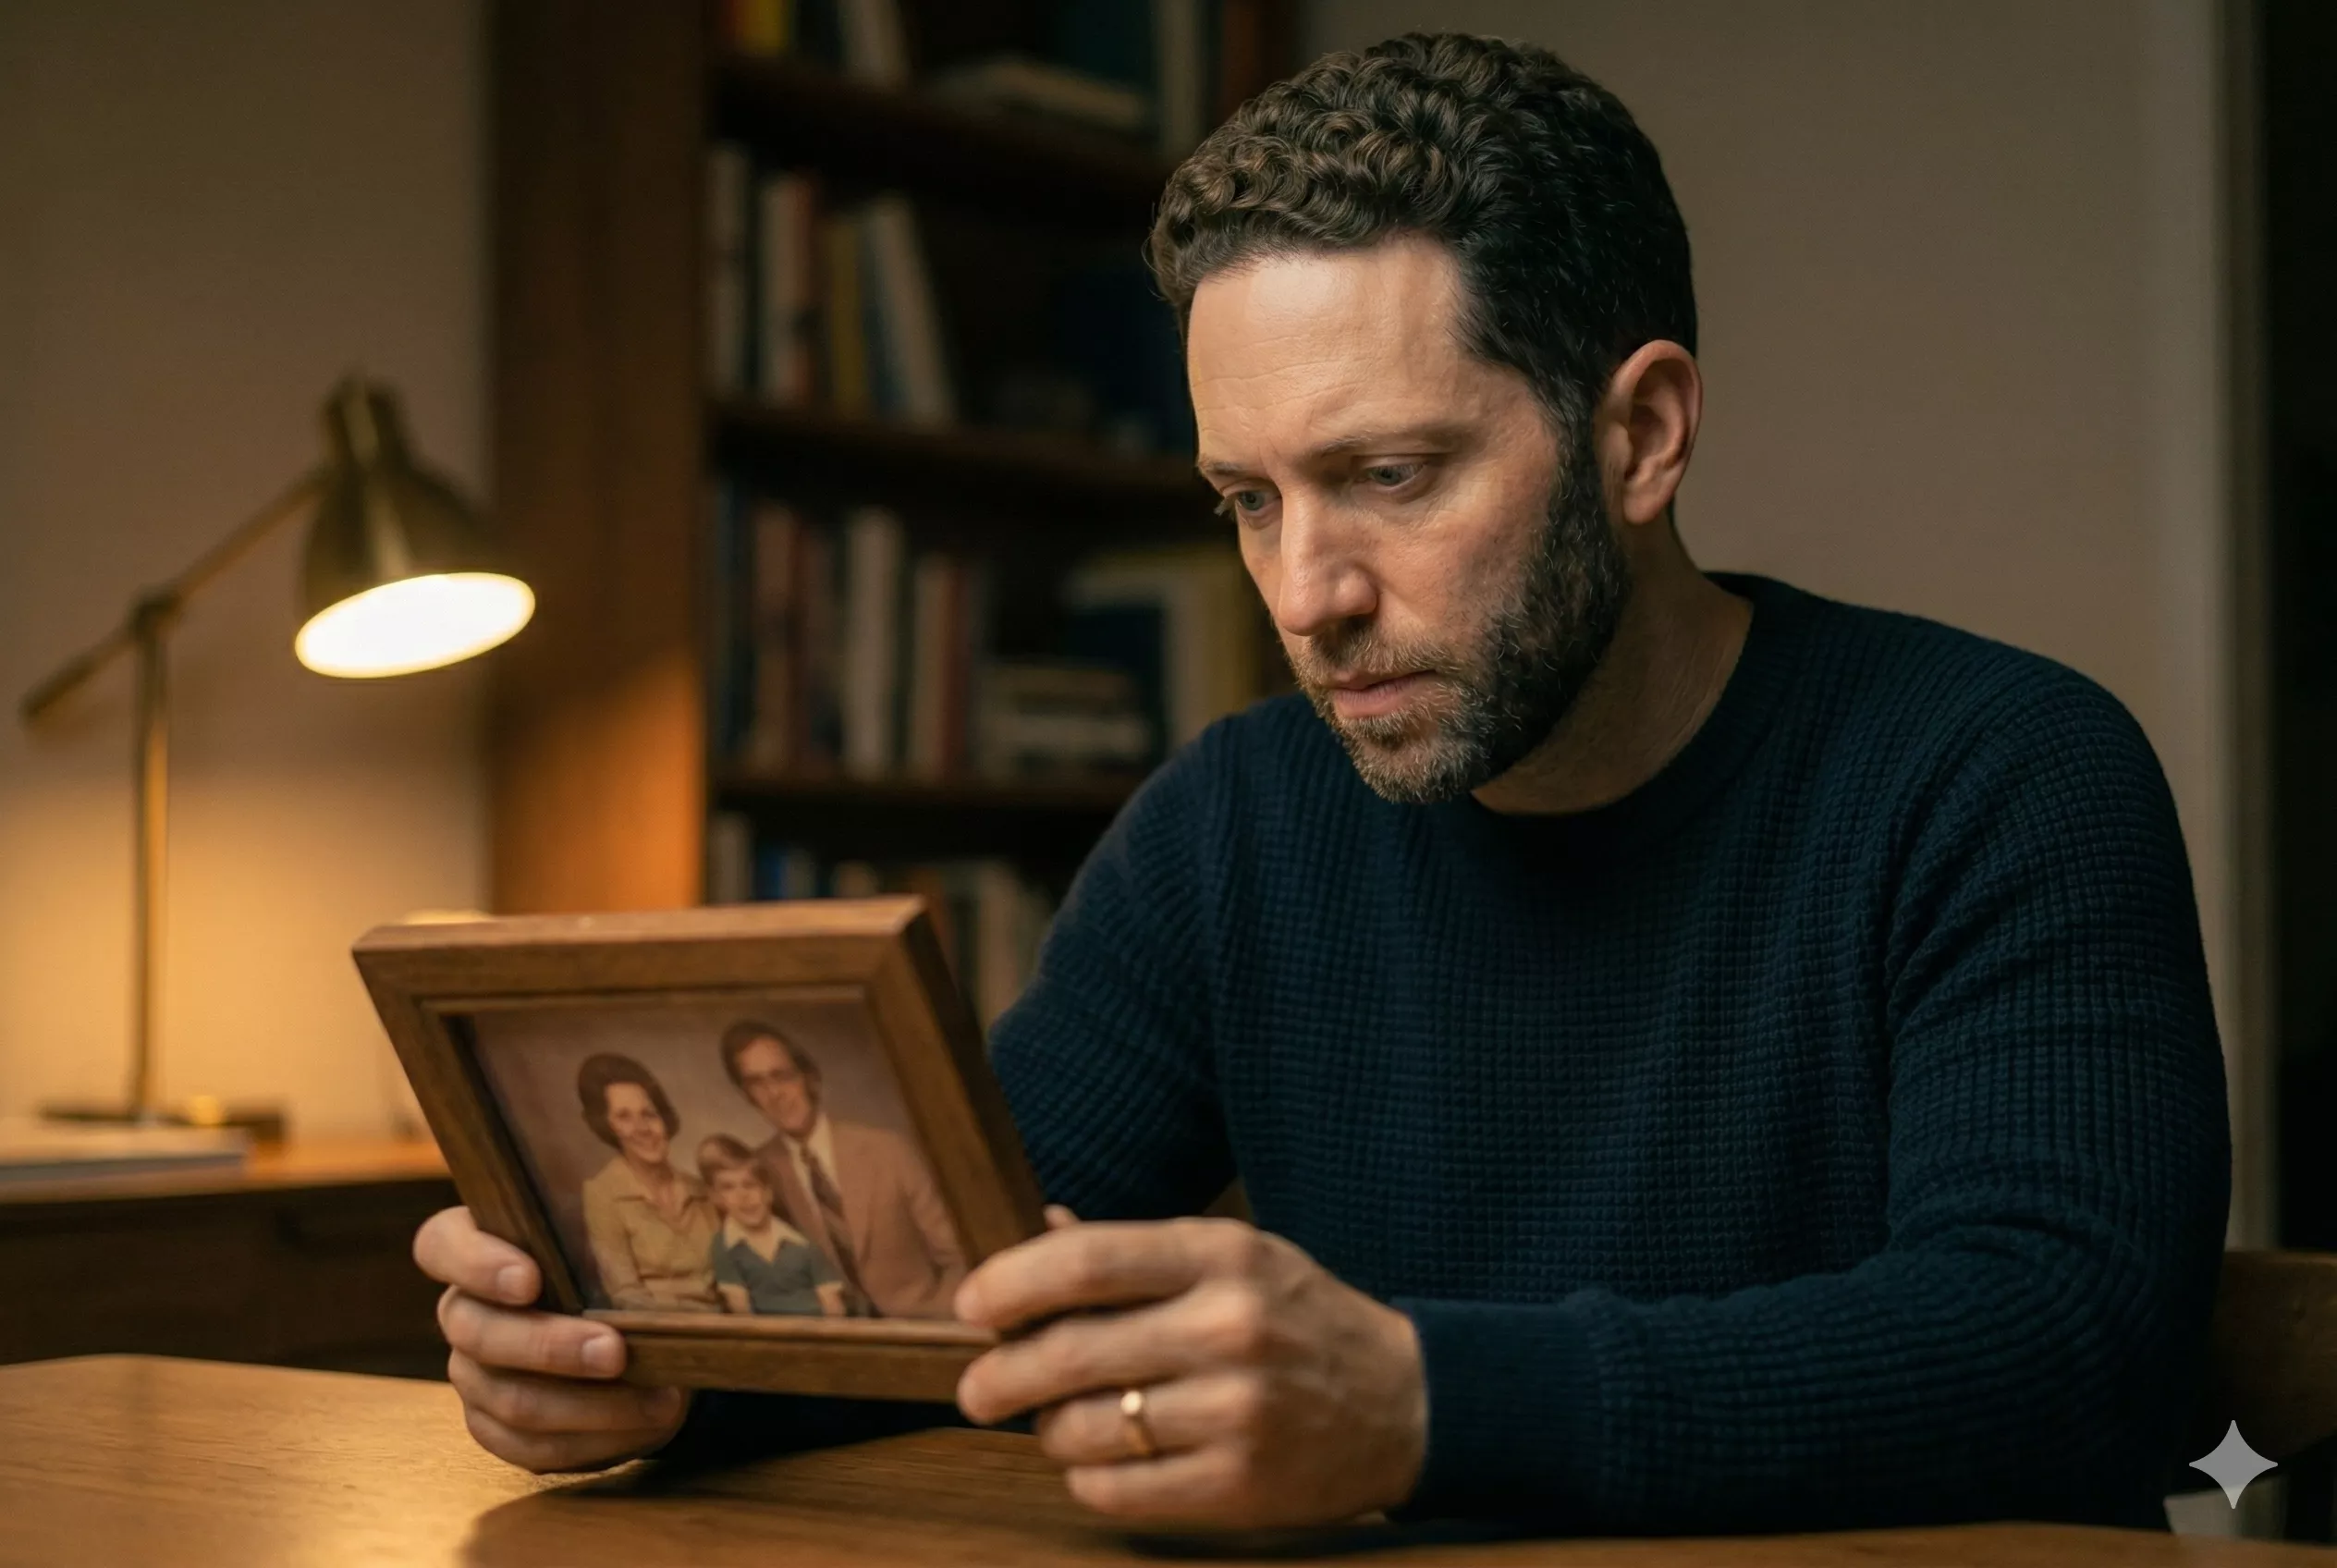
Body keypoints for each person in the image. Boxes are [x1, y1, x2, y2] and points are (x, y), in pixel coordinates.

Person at [414, 31, 2230, 1536]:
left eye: (1388, 473)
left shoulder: (1993, 768)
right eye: (1250, 499)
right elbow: (955, 1297)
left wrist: (1422, 1401)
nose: (1306, 593)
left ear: (1642, 433)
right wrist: (658, 1362)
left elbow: (2062, 1341)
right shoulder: (1231, 825)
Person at [716, 1021, 966, 1319]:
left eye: (781, 1076)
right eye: (756, 1083)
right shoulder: (758, 1174)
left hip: (926, 1325)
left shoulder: (888, 1150)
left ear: (808, 1078)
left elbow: (957, 1255)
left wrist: (941, 1319)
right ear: (748, 1095)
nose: (774, 1093)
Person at [573, 1053, 720, 1312]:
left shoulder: (700, 1189)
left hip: (730, 1326)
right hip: (666, 1333)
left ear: (664, 1120)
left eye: (649, 1114)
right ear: (608, 1127)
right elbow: (626, 1294)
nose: (642, 1128)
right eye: (624, 1117)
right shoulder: (602, 1195)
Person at [698, 1134, 847, 1318]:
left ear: (768, 1193)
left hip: (816, 1332)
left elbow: (832, 1304)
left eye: (750, 1185)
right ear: (716, 1198)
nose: (742, 1196)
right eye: (729, 1188)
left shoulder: (802, 1245)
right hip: (765, 1337)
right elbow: (740, 1307)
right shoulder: (725, 1247)